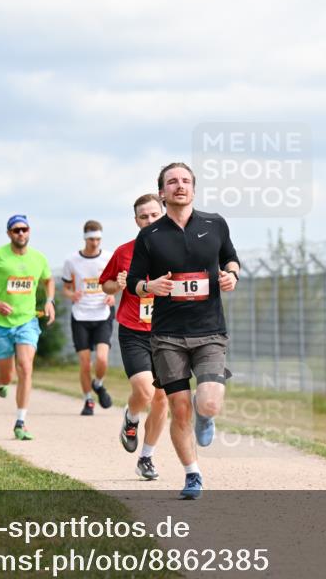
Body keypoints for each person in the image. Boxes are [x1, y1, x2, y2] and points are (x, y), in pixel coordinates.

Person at [127, 163, 240, 500]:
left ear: (194, 188)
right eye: (172, 182)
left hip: (209, 331)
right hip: (167, 336)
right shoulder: (150, 235)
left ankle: (205, 415)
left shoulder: (215, 223)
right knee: (178, 408)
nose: (180, 186)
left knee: (207, 404)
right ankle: (192, 474)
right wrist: (151, 286)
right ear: (162, 192)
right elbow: (134, 283)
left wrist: (232, 275)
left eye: (186, 181)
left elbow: (231, 259)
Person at [100, 194, 169, 480]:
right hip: (134, 331)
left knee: (162, 400)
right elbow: (105, 284)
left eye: (155, 215)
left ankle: (147, 457)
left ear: (163, 214)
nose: (150, 220)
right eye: (144, 216)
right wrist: (114, 286)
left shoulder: (178, 250)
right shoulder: (124, 251)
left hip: (167, 333)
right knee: (145, 391)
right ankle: (131, 416)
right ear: (136, 220)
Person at [0, 214, 55, 440]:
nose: (21, 234)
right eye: (16, 230)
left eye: (24, 229)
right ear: (9, 233)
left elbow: (48, 280)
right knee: (7, 376)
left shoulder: (38, 258)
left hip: (26, 321)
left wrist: (49, 300)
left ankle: (21, 422)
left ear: (29, 231)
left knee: (25, 367)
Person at [62, 220, 115, 415]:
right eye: (91, 239)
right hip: (80, 315)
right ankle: (88, 400)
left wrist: (112, 294)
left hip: (102, 314)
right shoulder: (72, 261)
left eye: (98, 239)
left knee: (102, 359)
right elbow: (66, 288)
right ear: (85, 238)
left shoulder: (109, 258)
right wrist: (71, 295)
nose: (95, 243)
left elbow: (117, 283)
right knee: (85, 363)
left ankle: (98, 384)